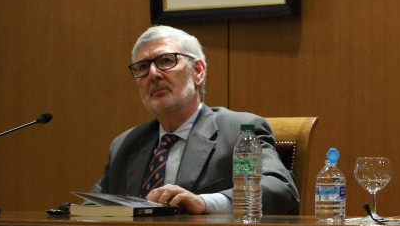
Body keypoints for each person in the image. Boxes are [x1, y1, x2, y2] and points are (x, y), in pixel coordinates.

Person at [92, 26, 299, 215]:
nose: (153, 74)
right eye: (143, 67)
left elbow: (281, 189)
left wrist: (204, 203)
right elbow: (93, 208)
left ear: (198, 71)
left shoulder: (237, 132)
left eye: (166, 60)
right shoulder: (125, 144)